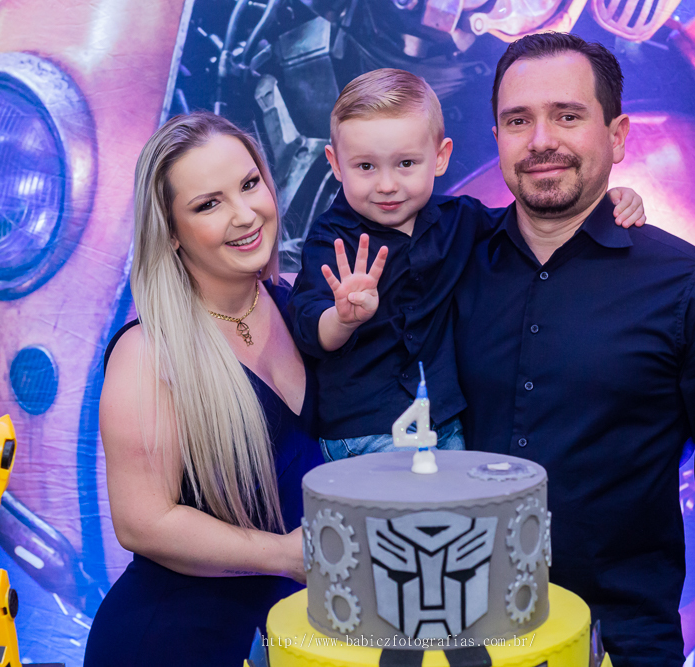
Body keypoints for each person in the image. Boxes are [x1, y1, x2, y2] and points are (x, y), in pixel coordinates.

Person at [453, 33, 695, 666]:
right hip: (460, 642)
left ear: (617, 136)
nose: (540, 141)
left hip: (620, 645)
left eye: (567, 115)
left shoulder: (688, 283)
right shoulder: (450, 268)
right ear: (497, 137)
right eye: (517, 121)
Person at [289, 68, 646, 461]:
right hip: (364, 430)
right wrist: (342, 319)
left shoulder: (460, 219)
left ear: (439, 158)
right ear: (336, 164)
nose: (387, 184)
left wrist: (607, 200)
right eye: (366, 167)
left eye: (406, 164)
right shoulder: (331, 238)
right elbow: (308, 326)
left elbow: (532, 223)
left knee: (461, 517)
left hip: (442, 420)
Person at [84, 112, 322, 665]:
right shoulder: (148, 352)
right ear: (169, 232)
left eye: (249, 184)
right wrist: (287, 555)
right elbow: (143, 522)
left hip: (284, 641)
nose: (245, 215)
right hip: (171, 642)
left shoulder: (300, 308)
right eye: (208, 204)